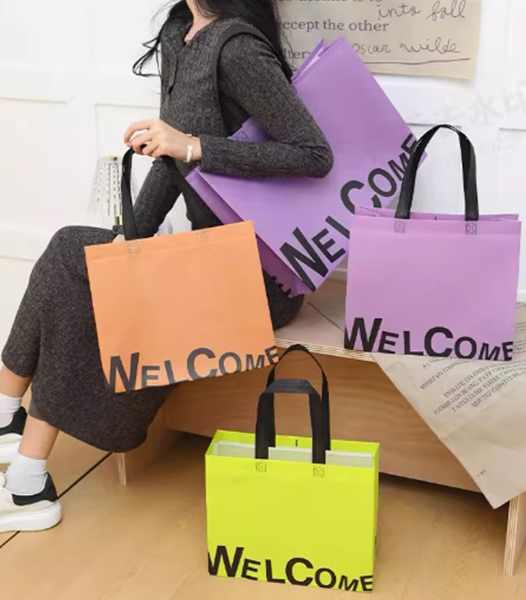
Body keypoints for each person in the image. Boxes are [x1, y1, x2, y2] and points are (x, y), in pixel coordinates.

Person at [0, 0, 333, 532]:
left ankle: (21, 465)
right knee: (81, 259)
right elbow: (169, 160)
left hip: (256, 276)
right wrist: (132, 239)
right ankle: (18, 453)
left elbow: (313, 154)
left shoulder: (237, 48)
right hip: (209, 258)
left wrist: (195, 146)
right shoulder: (182, 33)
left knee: (72, 258)